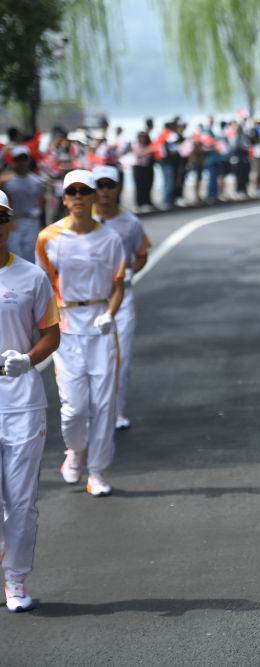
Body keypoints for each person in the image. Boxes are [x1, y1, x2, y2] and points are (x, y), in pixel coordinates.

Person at [35, 170, 126, 497]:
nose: (77, 197)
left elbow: (118, 285)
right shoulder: (48, 238)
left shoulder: (110, 238)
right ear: (64, 198)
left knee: (104, 404)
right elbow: (40, 289)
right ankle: (74, 449)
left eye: (83, 191)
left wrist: (110, 314)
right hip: (67, 327)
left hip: (100, 325)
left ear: (92, 197)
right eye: (71, 191)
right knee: (74, 407)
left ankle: (97, 471)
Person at [0, 190, 60, 612]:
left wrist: (26, 361)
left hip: (21, 401)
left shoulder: (31, 277)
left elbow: (51, 335)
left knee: (20, 503)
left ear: (10, 224)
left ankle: (16, 581)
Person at [92, 166, 151, 431]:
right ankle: (92, 409)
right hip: (87, 300)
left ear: (117, 188)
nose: (104, 191)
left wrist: (130, 271)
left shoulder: (130, 223)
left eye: (109, 185)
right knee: (90, 360)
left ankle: (116, 411)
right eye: (99, 186)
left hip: (122, 297)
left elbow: (142, 254)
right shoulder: (79, 222)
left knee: (121, 358)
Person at [1, 146, 46, 261]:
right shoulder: (5, 182)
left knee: (30, 254)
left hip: (31, 221)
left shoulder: (37, 182)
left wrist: (41, 220)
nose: (22, 163)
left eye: (24, 159)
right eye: (18, 159)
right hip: (13, 222)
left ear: (29, 160)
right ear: (14, 161)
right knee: (14, 253)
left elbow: (41, 201)